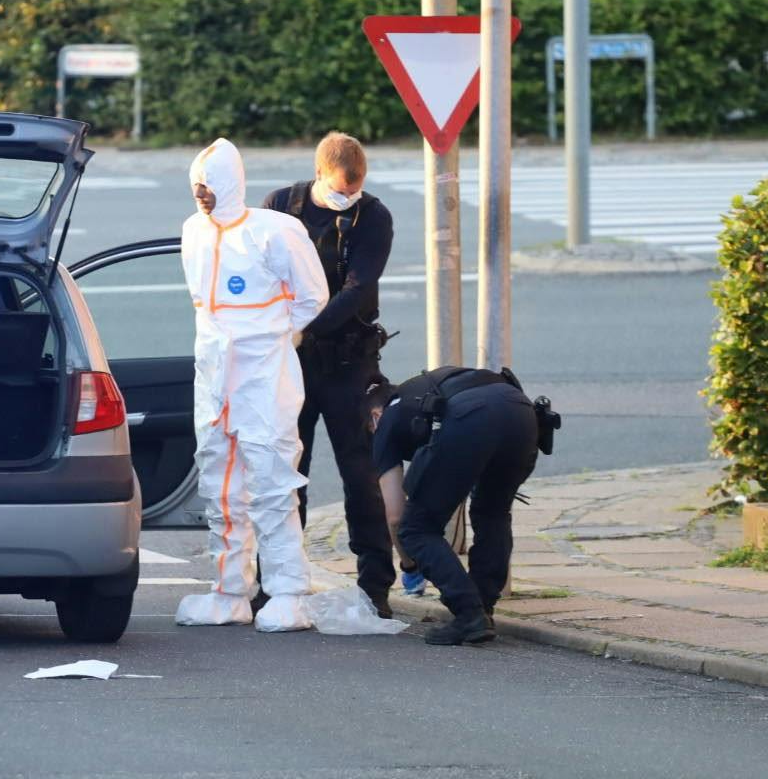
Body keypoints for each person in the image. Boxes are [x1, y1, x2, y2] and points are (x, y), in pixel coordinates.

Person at [177, 138, 330, 632]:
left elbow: (311, 296)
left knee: (271, 480)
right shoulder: (193, 233)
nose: (202, 194)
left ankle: (288, 591)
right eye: (197, 185)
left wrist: (274, 335)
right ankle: (229, 590)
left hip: (264, 372)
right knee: (219, 482)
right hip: (215, 374)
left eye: (209, 184)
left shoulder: (275, 232)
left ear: (230, 183)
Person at [263, 133, 399, 615]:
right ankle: (277, 579)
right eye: (341, 191)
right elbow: (261, 272)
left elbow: (360, 290)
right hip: (290, 362)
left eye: (355, 191)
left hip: (348, 360)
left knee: (361, 473)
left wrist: (305, 327)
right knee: (284, 473)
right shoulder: (281, 206)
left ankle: (376, 585)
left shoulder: (374, 216)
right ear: (319, 174)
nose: (348, 199)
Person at [367, 366, 554, 646]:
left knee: (417, 528)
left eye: (369, 430)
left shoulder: (388, 418)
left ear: (374, 415)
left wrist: (410, 564)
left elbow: (395, 516)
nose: (372, 435)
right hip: (521, 412)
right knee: (493, 514)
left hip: (469, 420)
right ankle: (484, 607)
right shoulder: (420, 391)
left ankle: (469, 613)